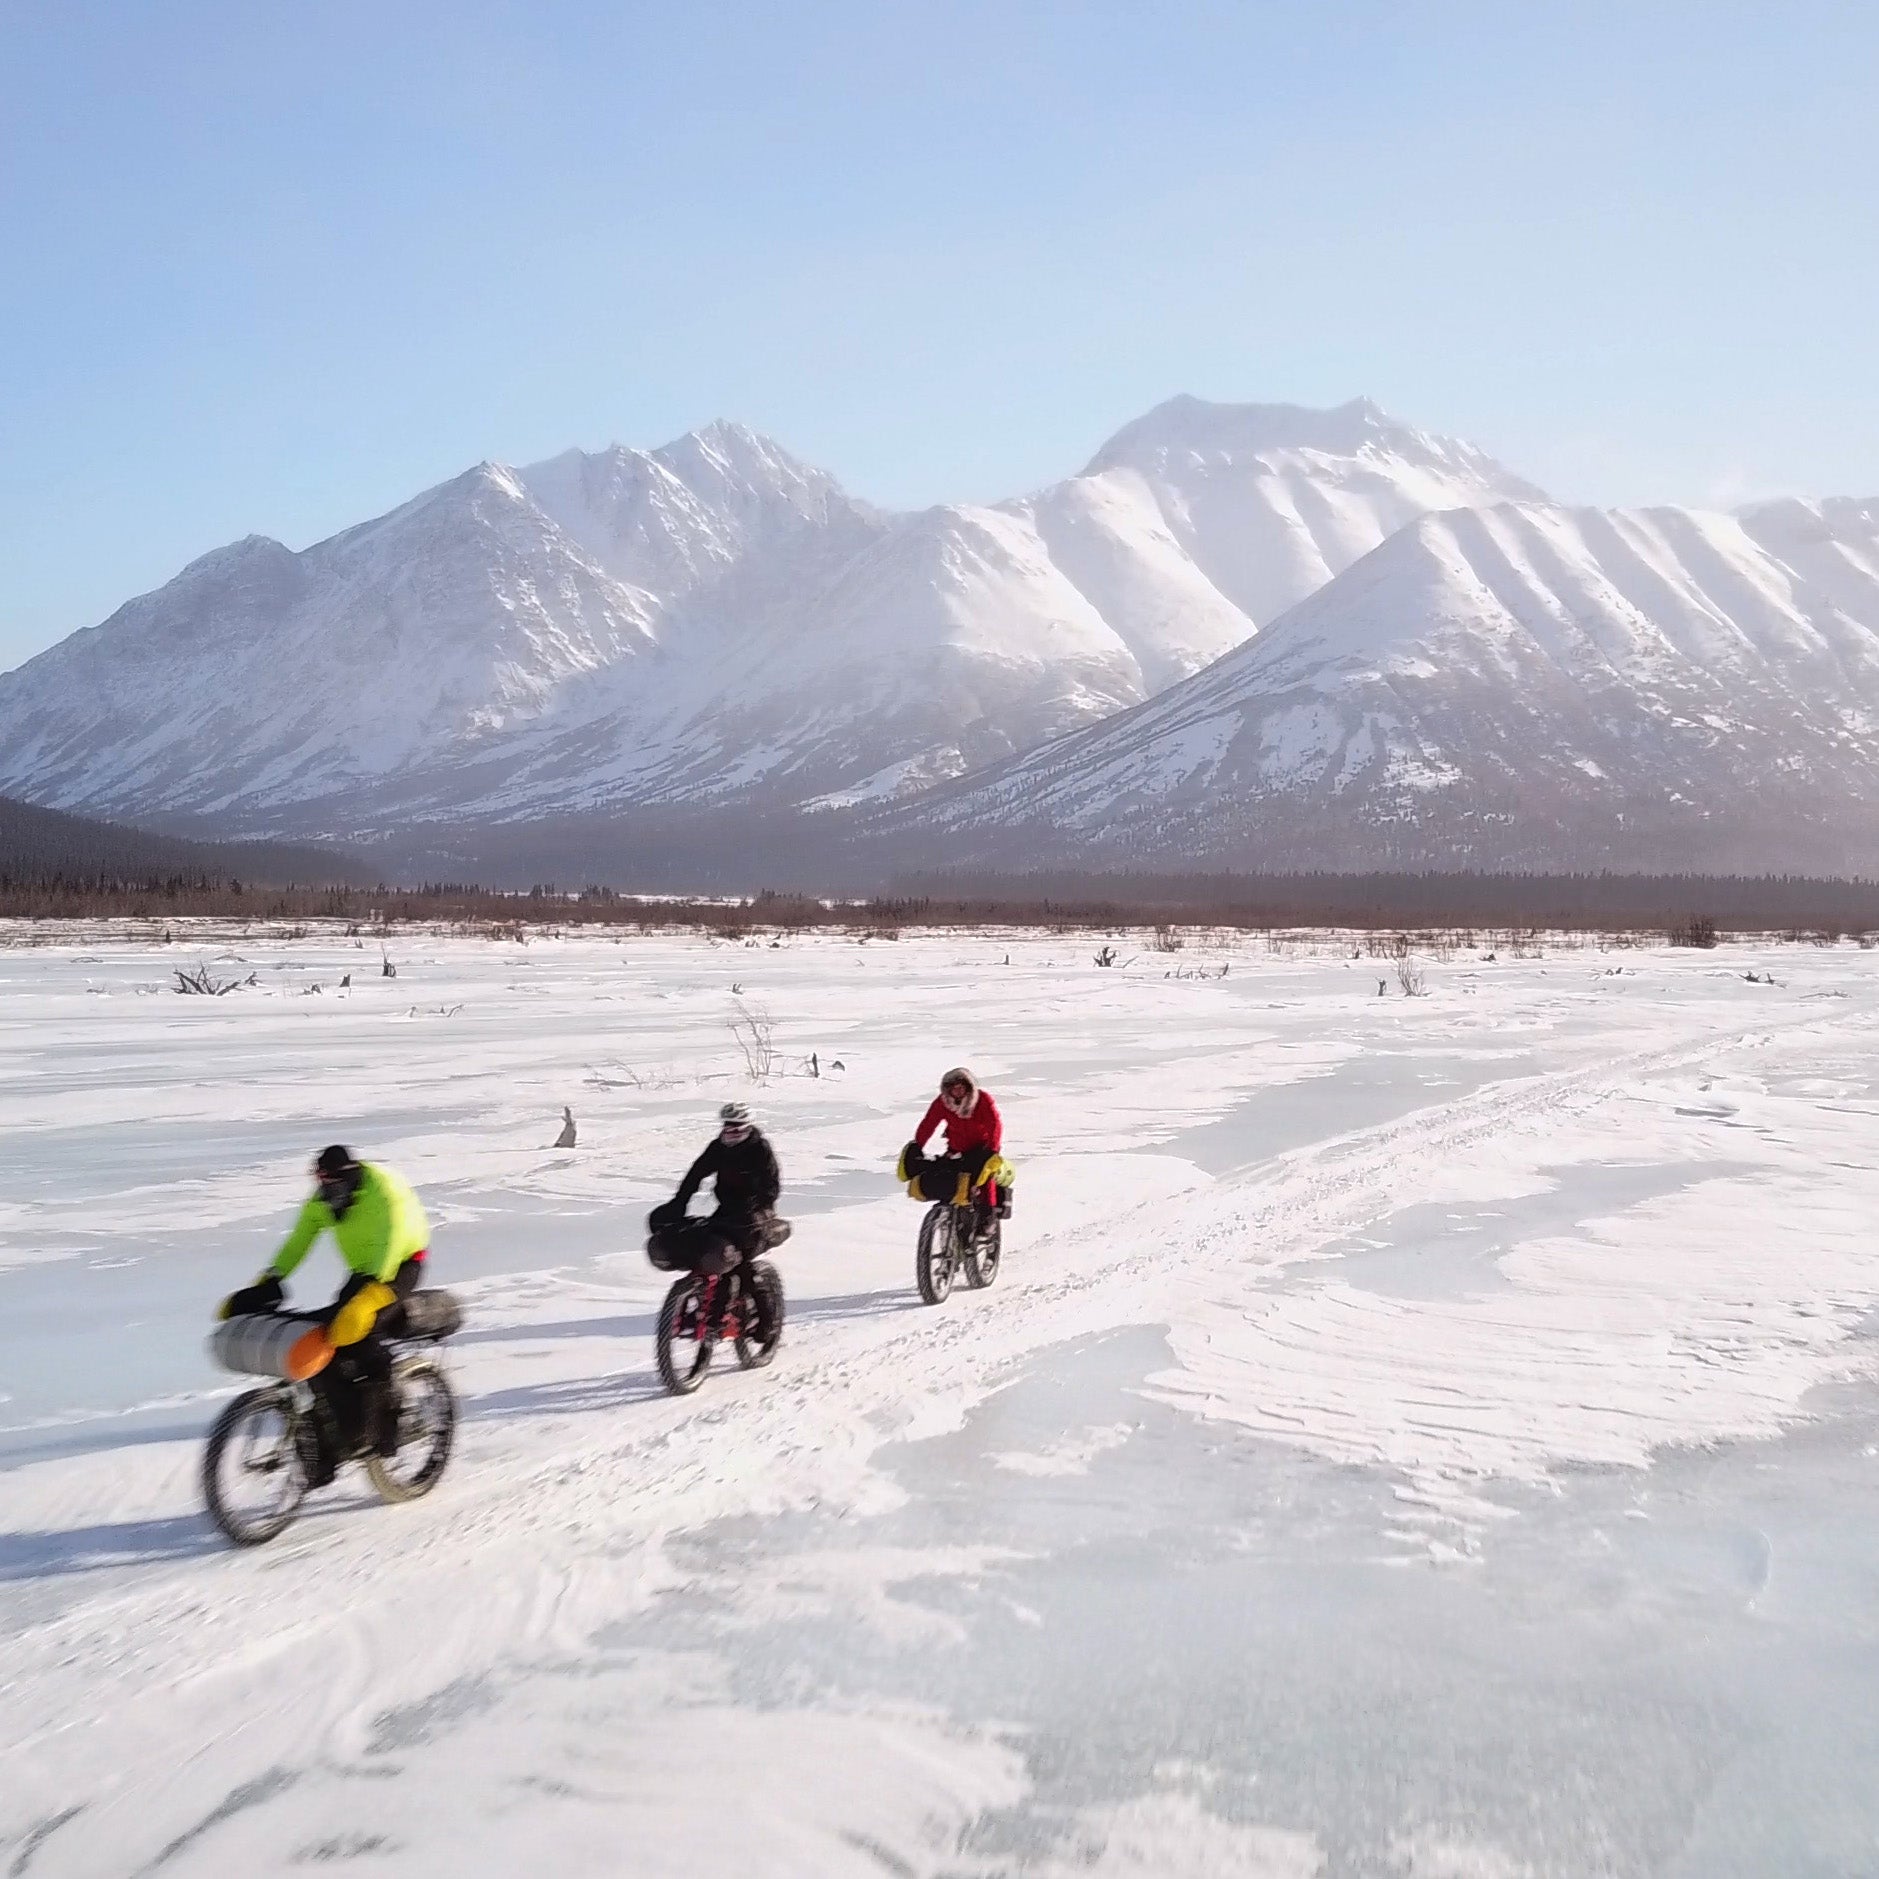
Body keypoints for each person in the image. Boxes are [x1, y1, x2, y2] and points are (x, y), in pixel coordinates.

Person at [220, 1145, 431, 1464]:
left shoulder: (383, 1196)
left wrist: (366, 1302)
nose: (327, 1192)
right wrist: (269, 1281)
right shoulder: (323, 1201)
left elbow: (389, 1250)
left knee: (359, 1331)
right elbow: (297, 1243)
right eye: (323, 1184)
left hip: (400, 1265)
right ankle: (341, 1433)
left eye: (334, 1185)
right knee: (327, 1337)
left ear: (350, 1179)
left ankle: (390, 1420)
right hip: (364, 1269)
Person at [649, 1103, 781, 1329]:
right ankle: (706, 1304)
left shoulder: (760, 1149)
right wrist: (680, 1202)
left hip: (757, 1212)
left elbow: (771, 1188)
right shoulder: (718, 1147)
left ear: (747, 1128)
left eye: (737, 1129)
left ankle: (767, 1321)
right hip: (728, 1209)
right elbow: (696, 1174)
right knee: (711, 1247)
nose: (731, 1134)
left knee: (741, 1260)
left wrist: (754, 1206)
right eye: (728, 1129)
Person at [903, 1067, 1004, 1233]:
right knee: (949, 1177)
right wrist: (918, 1146)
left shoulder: (983, 1100)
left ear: (968, 1087)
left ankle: (989, 1215)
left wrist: (991, 1150)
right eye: (953, 1088)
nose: (957, 1092)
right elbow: (928, 1124)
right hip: (956, 1149)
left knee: (984, 1178)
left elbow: (995, 1125)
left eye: (961, 1088)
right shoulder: (942, 1103)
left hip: (982, 1148)